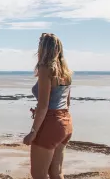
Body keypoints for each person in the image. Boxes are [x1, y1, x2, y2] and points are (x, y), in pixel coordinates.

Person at [23, 33, 73, 179]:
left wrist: (33, 132)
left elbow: (44, 105)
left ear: (43, 49)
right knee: (56, 172)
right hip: (66, 122)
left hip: (51, 123)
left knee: (38, 174)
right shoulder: (66, 72)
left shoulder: (46, 69)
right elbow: (67, 103)